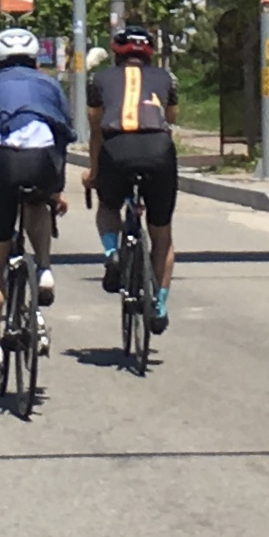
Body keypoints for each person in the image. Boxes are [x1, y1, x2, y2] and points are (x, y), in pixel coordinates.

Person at [0, 24, 74, 390]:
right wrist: (56, 189)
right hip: (44, 161)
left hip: (4, 162)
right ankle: (45, 269)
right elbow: (64, 135)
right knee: (38, 204)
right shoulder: (50, 85)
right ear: (36, 59)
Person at [85, 26, 181, 335]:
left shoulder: (98, 79)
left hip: (117, 147)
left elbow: (96, 130)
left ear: (116, 54)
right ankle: (160, 304)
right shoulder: (167, 78)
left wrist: (94, 173)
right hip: (158, 150)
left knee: (108, 206)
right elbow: (171, 118)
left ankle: (112, 254)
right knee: (162, 233)